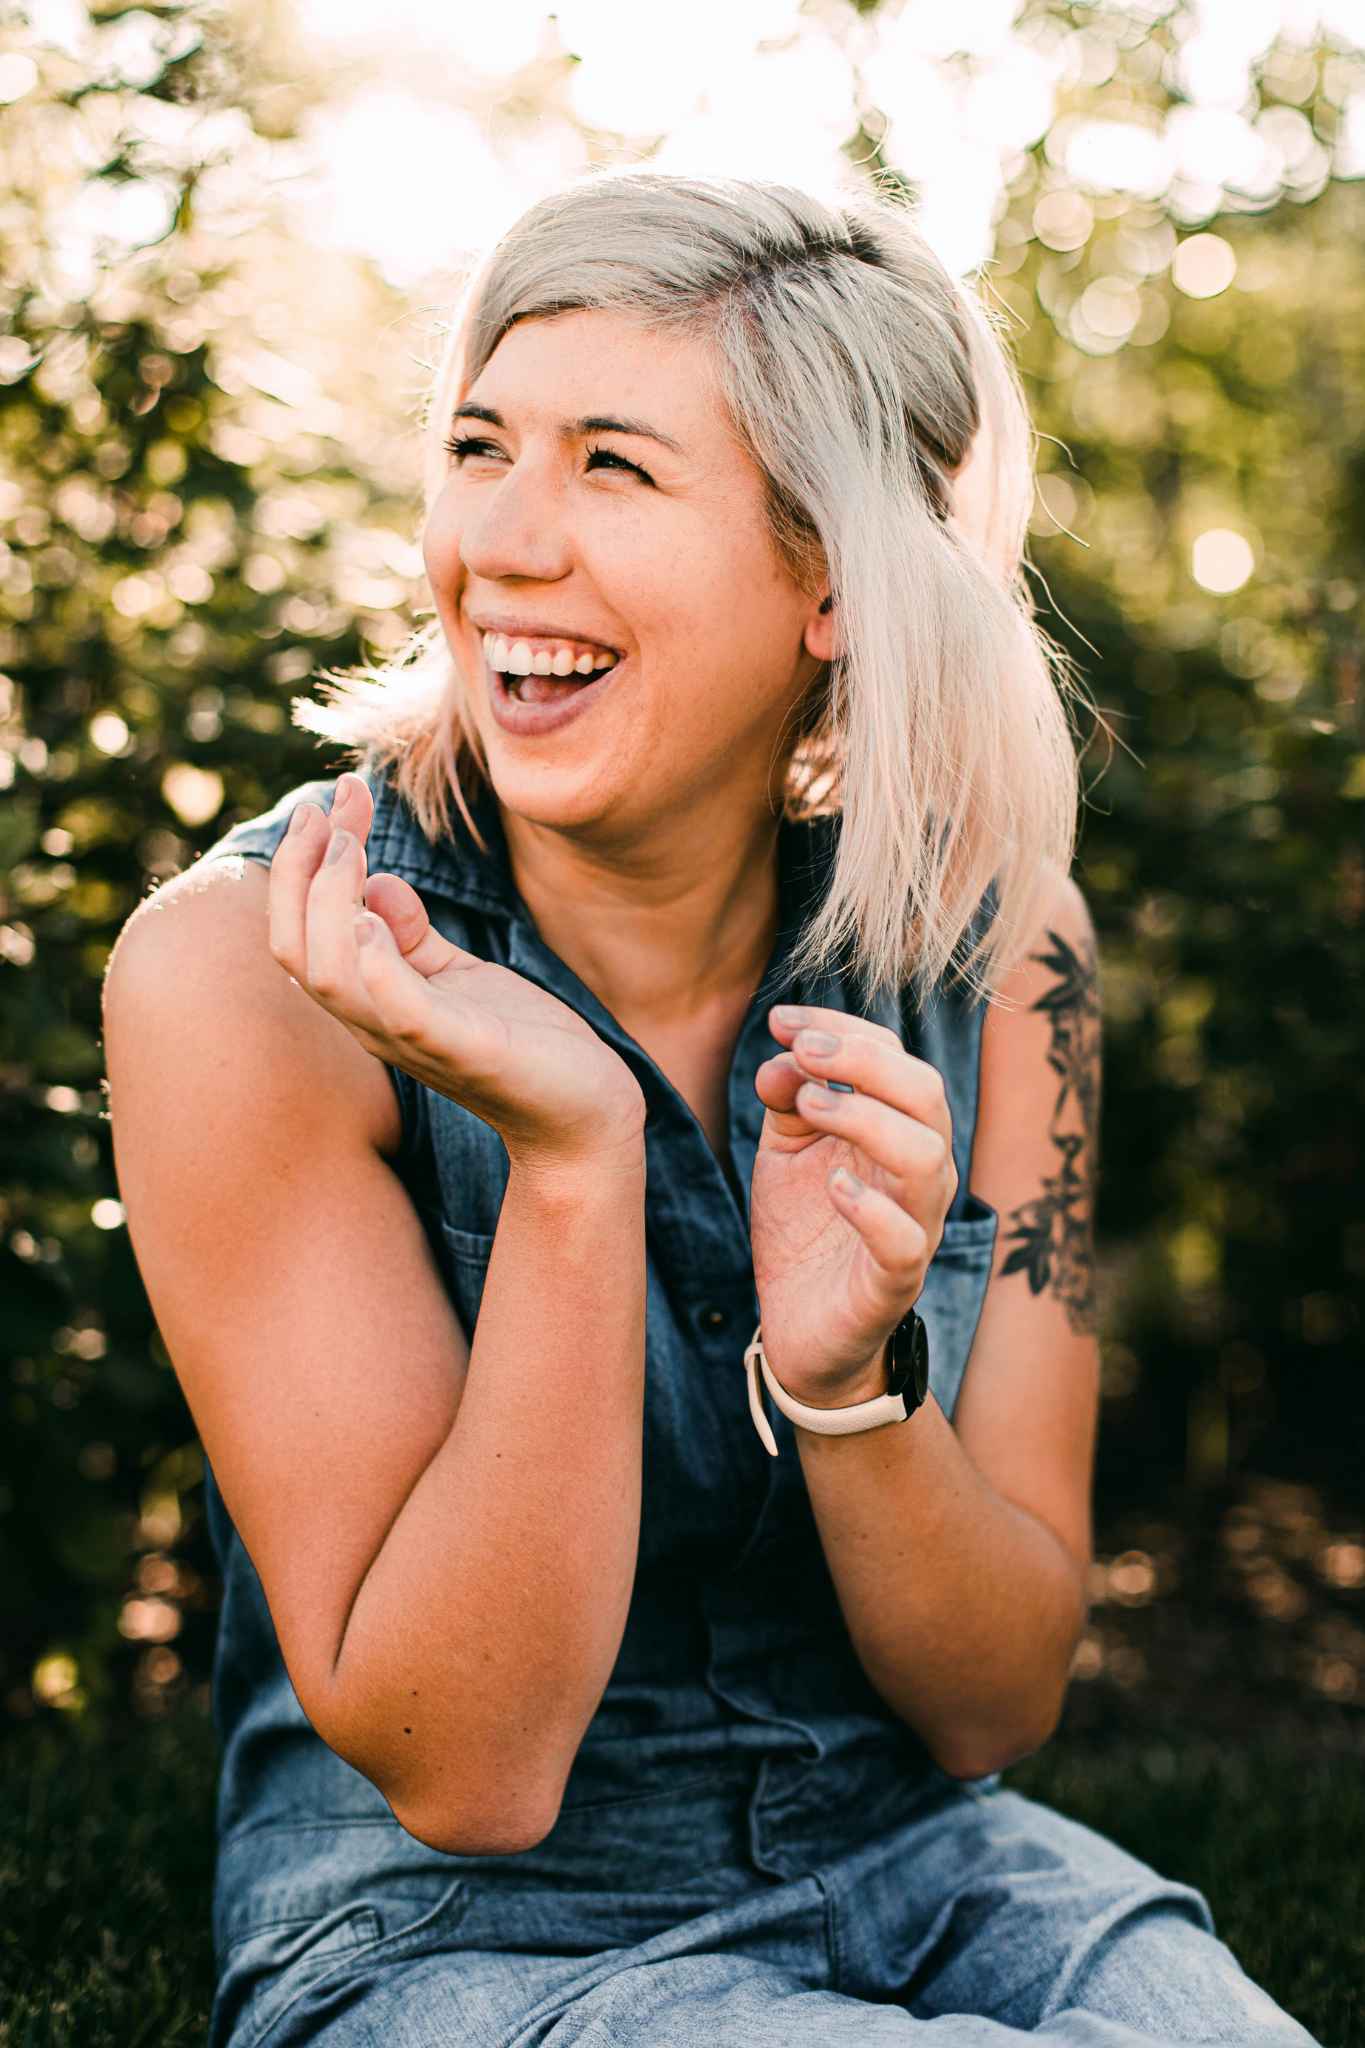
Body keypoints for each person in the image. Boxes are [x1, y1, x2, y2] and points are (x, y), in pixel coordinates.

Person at [102, 171, 1319, 2046]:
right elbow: (465, 1766)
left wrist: (850, 1389)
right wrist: (575, 1165)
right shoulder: (252, 976)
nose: (500, 542)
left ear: (833, 573)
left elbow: (992, 1707)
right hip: (460, 1929)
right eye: (480, 446)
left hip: (925, 1856)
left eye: (612, 466)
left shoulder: (1005, 960)